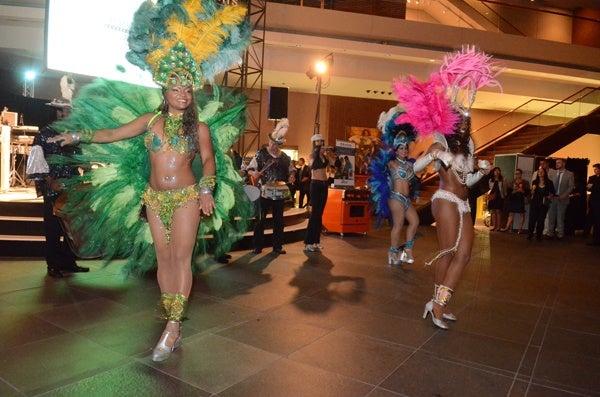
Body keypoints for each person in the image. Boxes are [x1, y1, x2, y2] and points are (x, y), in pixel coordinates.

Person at [48, 0, 251, 362]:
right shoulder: (149, 121)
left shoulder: (200, 128)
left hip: (187, 196)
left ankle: (172, 327)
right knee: (164, 259)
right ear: (165, 91)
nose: (183, 94)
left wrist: (207, 190)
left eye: (188, 90)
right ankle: (173, 320)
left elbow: (208, 160)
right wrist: (79, 135)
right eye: (176, 89)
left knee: (181, 258)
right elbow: (112, 133)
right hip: (155, 199)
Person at [394, 45, 498, 330]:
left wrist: (481, 172)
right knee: (448, 252)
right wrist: (435, 155)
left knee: (463, 255)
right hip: (446, 199)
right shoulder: (441, 144)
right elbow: (415, 170)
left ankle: (439, 301)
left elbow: (468, 182)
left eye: (468, 121)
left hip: (463, 202)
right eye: (460, 121)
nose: (465, 125)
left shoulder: (467, 150)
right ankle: (438, 305)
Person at [26, 97, 89, 278]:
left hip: (72, 187)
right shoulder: (44, 134)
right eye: (62, 110)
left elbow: (79, 158)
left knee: (70, 227)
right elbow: (36, 162)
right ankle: (53, 264)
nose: (66, 114)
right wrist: (50, 181)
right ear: (55, 112)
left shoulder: (72, 135)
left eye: (68, 111)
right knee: (53, 227)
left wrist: (84, 171)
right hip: (53, 187)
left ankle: (69, 262)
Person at [368, 106, 419, 265]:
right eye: (401, 148)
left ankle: (407, 249)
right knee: (398, 225)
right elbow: (382, 166)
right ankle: (393, 252)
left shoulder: (410, 165)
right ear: (396, 150)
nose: (404, 150)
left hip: (406, 199)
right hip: (395, 198)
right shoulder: (392, 163)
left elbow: (415, 176)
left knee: (415, 221)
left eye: (406, 147)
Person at [248, 119, 291, 255]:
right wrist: (254, 173)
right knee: (260, 220)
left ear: (280, 144)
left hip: (279, 193)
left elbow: (291, 170)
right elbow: (250, 169)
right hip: (264, 192)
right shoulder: (261, 154)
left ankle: (277, 246)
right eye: (272, 142)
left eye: (276, 143)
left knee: (279, 221)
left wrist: (292, 175)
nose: (273, 145)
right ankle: (257, 246)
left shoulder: (284, 157)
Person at [304, 133, 329, 252]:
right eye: (318, 141)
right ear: (314, 143)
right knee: (314, 214)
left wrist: (331, 154)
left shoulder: (324, 156)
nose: (320, 143)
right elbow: (314, 166)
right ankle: (308, 242)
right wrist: (318, 152)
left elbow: (335, 164)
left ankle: (316, 241)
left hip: (324, 185)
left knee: (320, 214)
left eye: (321, 141)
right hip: (316, 185)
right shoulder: (311, 156)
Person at [545, 158, 574, 240]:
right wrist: (550, 194)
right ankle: (550, 234)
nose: (557, 164)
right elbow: (549, 185)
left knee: (560, 217)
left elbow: (571, 187)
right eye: (556, 163)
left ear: (564, 164)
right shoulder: (553, 173)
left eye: (558, 163)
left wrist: (564, 196)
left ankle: (560, 235)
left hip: (562, 199)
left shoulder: (569, 174)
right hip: (553, 198)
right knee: (551, 216)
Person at [527, 166, 555, 241]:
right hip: (534, 203)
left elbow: (553, 192)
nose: (540, 173)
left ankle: (539, 236)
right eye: (539, 172)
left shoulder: (549, 182)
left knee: (541, 220)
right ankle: (530, 234)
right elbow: (531, 191)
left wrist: (550, 196)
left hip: (543, 203)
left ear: (545, 173)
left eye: (542, 172)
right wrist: (531, 192)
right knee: (532, 219)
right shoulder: (534, 182)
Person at [501, 168, 529, 233]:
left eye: (518, 173)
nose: (517, 175)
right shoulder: (512, 182)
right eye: (516, 174)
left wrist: (522, 191)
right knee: (511, 214)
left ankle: (520, 229)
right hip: (513, 199)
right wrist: (515, 191)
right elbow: (509, 193)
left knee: (522, 214)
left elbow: (528, 192)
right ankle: (507, 227)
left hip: (521, 200)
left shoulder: (525, 182)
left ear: (521, 174)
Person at [487, 166, 507, 231]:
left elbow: (504, 188)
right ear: (493, 172)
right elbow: (490, 188)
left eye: (498, 170)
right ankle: (494, 226)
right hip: (492, 196)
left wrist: (504, 195)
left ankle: (498, 226)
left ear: (500, 172)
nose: (497, 172)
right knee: (492, 211)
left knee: (498, 211)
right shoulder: (490, 180)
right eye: (495, 170)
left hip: (499, 196)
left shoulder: (503, 179)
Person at [585, 163, 600, 246]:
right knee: (592, 219)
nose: (595, 170)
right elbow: (588, 187)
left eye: (596, 169)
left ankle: (596, 239)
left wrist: (593, 187)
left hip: (598, 202)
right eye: (594, 169)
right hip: (593, 201)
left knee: (597, 222)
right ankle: (590, 236)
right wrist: (590, 187)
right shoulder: (592, 178)